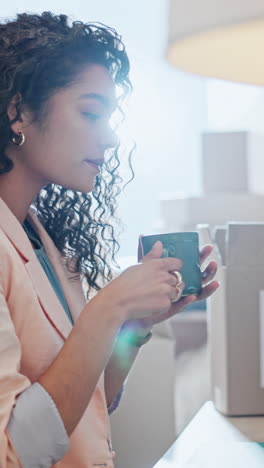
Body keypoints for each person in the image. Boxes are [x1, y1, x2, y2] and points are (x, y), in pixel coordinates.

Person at [0, 11, 219, 468]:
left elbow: (86, 408)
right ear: (18, 110)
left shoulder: (40, 240)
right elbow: (15, 450)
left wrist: (133, 329)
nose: (112, 137)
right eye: (91, 112)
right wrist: (108, 308)